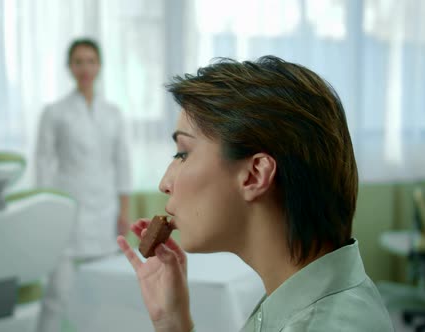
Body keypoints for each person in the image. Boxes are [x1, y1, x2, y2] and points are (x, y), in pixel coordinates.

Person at [117, 56, 394, 332]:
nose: (165, 183)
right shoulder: (296, 299)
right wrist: (173, 323)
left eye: (183, 154)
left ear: (255, 175)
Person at [35, 38, 131, 331]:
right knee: (58, 291)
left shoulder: (113, 113)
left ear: (99, 66)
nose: (85, 67)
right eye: (79, 61)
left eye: (91, 61)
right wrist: (46, 209)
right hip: (68, 212)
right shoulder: (55, 112)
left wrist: (123, 212)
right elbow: (43, 164)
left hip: (105, 211)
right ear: (69, 67)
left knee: (103, 292)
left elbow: (123, 163)